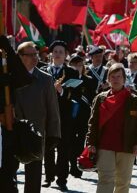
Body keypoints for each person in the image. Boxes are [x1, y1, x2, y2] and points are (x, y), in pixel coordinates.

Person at [85, 63, 137, 193]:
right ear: (108, 79)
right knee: (105, 179)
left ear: (124, 79)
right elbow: (92, 123)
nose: (116, 79)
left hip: (127, 146)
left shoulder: (134, 100)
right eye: (113, 77)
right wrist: (90, 142)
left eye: (119, 76)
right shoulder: (100, 98)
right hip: (105, 146)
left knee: (123, 182)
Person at [15, 41, 61, 193]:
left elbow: (52, 109)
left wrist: (54, 134)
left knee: (34, 177)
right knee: (8, 173)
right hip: (12, 130)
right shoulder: (9, 76)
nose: (36, 57)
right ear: (20, 57)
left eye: (36, 54)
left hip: (36, 133)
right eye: (31, 55)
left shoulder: (45, 79)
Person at [41, 40, 79, 191]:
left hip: (64, 116)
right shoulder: (43, 70)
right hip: (46, 115)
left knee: (64, 149)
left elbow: (76, 93)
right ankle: (49, 176)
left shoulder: (72, 72)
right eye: (55, 52)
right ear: (51, 54)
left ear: (65, 56)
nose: (57, 54)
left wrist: (61, 91)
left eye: (61, 52)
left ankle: (62, 179)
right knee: (47, 147)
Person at [0, 36, 33, 193]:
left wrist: (9, 51)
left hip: (4, 127)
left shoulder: (5, 63)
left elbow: (24, 78)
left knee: (6, 174)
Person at [68, 54, 95, 178]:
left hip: (83, 115)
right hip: (69, 116)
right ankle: (71, 164)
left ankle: (77, 168)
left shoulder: (88, 79)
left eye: (79, 65)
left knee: (80, 142)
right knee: (70, 142)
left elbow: (91, 97)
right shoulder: (67, 79)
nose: (77, 67)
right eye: (74, 65)